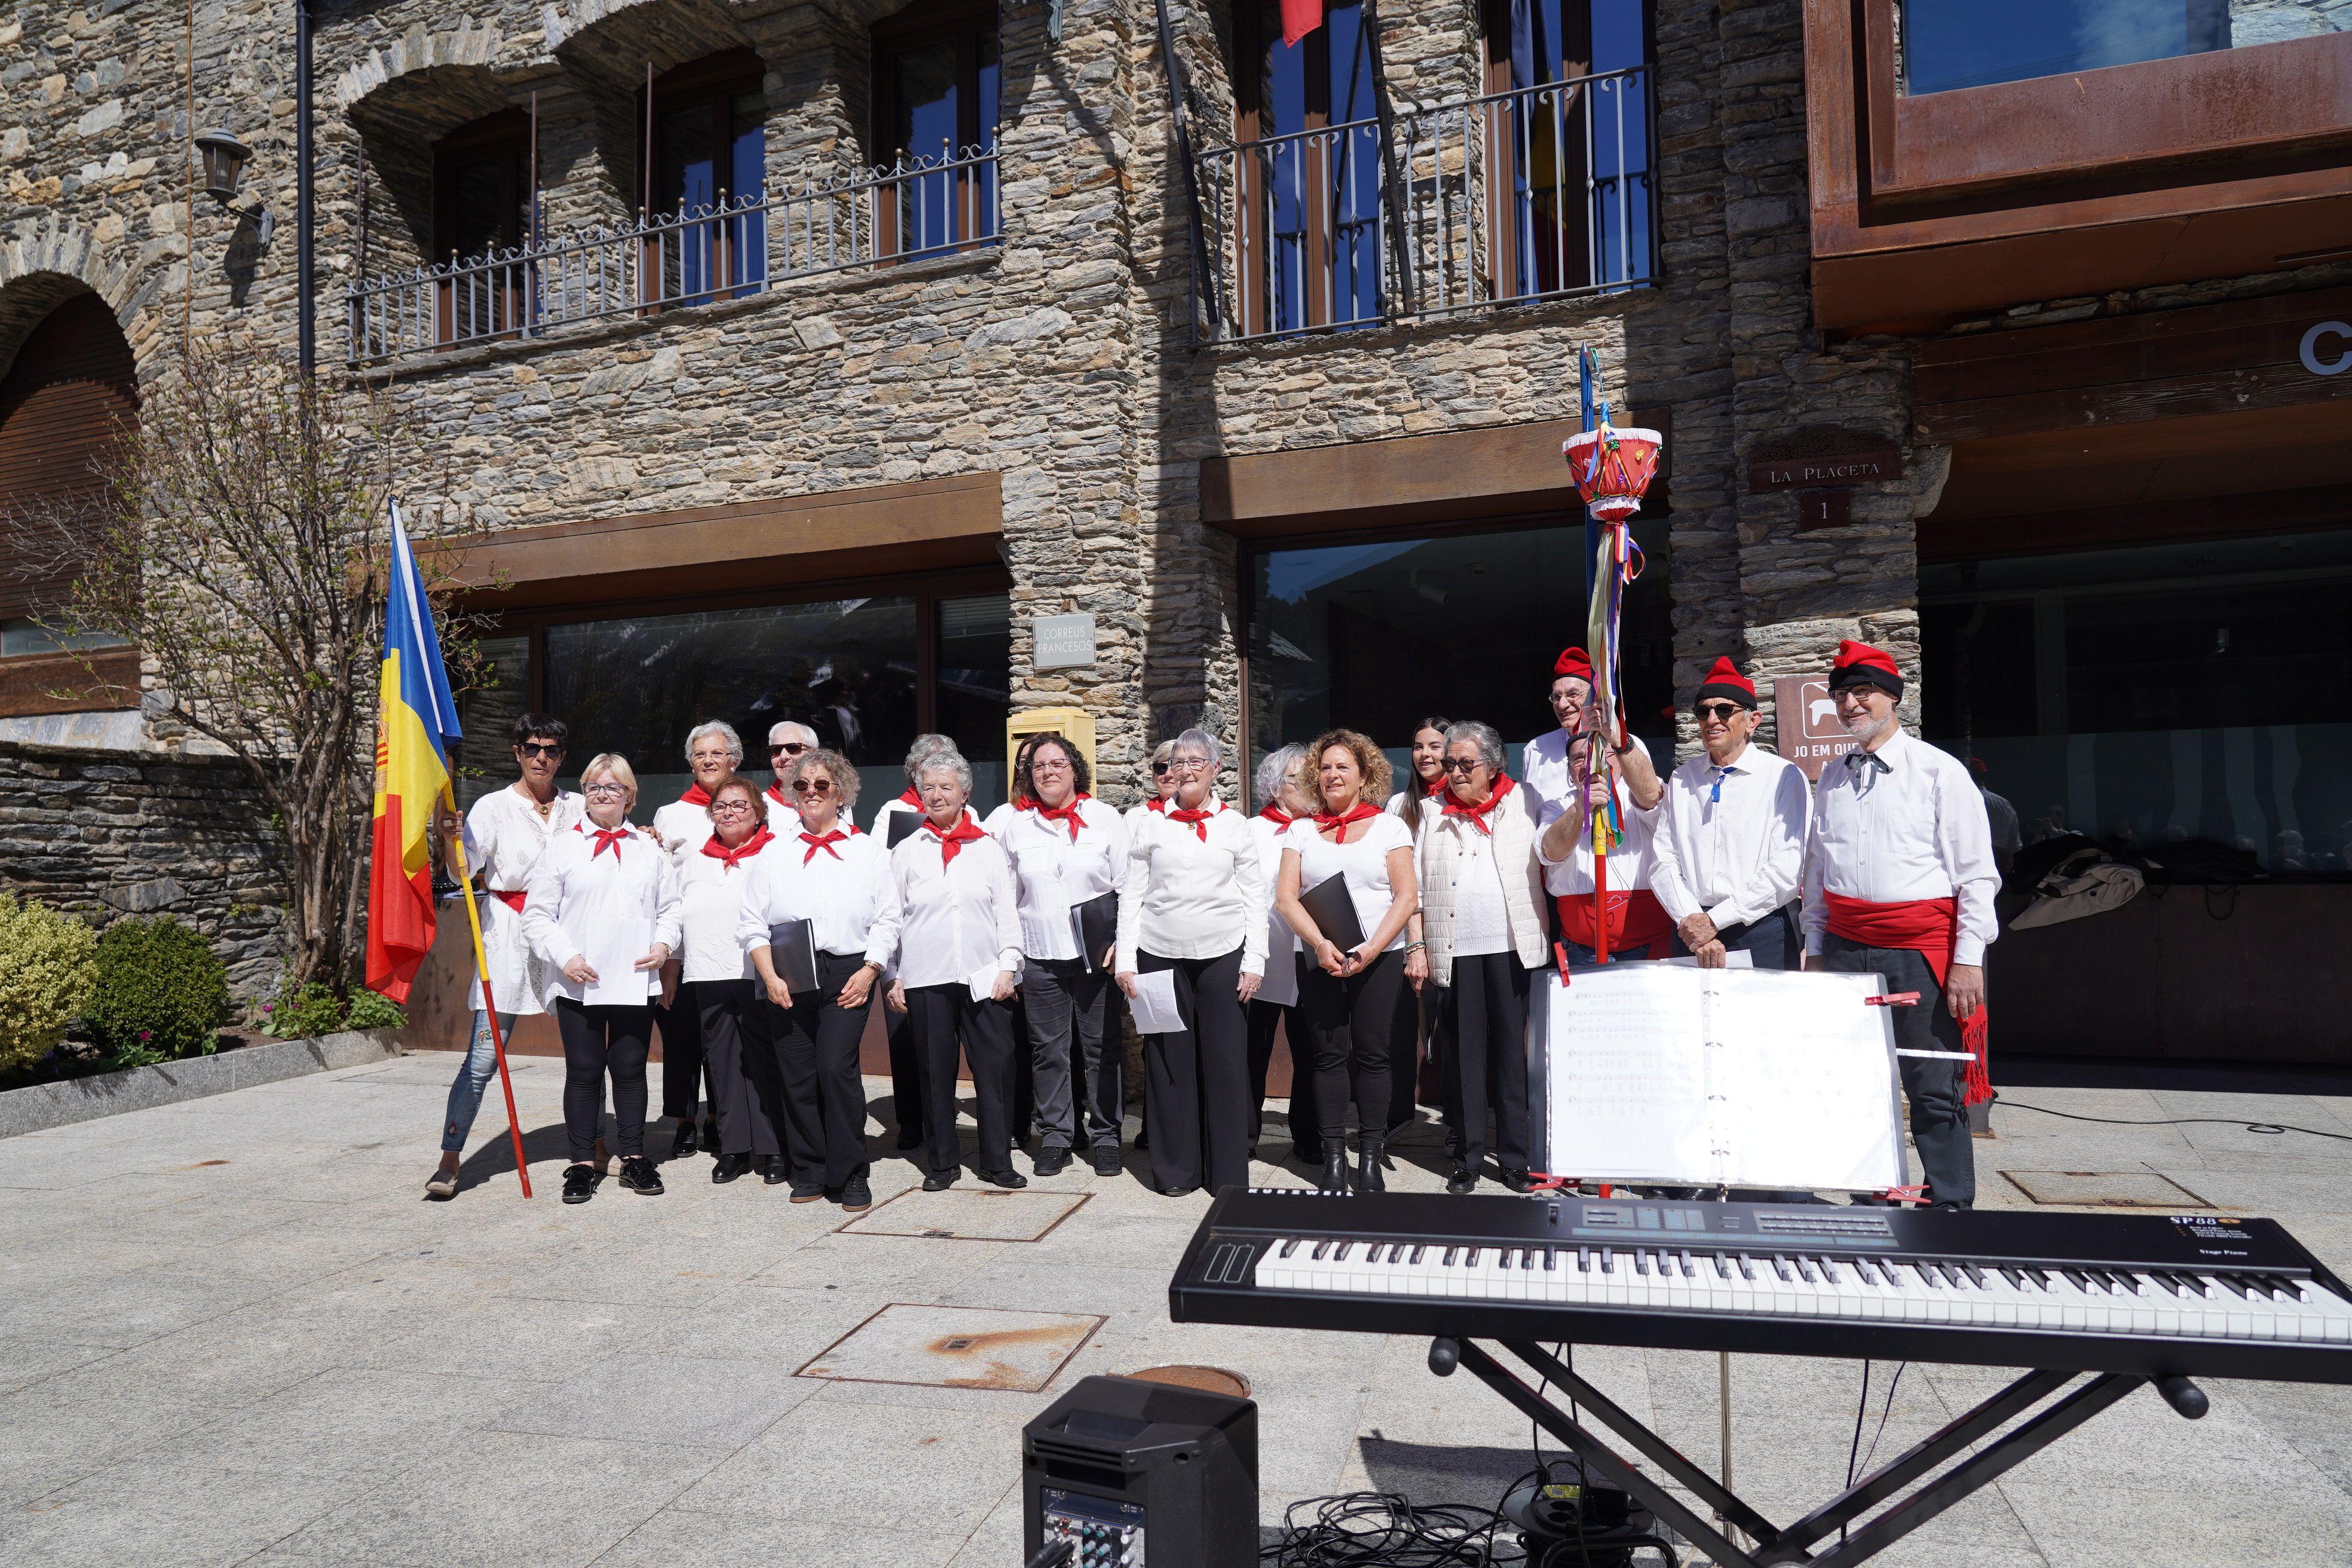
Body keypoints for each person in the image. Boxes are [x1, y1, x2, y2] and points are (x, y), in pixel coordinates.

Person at [1801, 640, 1999, 1211]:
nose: (1851, 704)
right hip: (1843, 949)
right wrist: (1815, 949)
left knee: (1931, 1085)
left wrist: (1967, 961)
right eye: (1841, 694)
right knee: (1858, 1083)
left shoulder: (1941, 772)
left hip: (1919, 950)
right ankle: (1875, 1197)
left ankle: (1950, 1205)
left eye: (1863, 691)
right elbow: (1819, 874)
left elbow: (1976, 878)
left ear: (1893, 699)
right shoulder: (1831, 778)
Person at [425, 713, 584, 1200]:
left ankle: (594, 1145)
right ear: (517, 752)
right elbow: (464, 870)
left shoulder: (578, 805)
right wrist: (445, 836)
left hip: (566, 935)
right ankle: (451, 1158)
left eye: (552, 749)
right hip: (510, 933)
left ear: (562, 756)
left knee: (585, 1052)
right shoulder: (492, 808)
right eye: (533, 747)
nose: (542, 757)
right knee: (482, 1058)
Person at [520, 753, 680, 1204]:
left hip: (635, 978)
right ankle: (582, 1163)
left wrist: (663, 945)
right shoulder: (562, 848)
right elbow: (537, 917)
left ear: (629, 795)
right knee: (585, 1071)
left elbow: (671, 909)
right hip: (579, 979)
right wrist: (565, 958)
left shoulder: (649, 849)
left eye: (612, 787)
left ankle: (632, 1157)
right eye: (593, 787)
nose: (602, 794)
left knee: (630, 1070)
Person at [1116, 727, 1266, 1196]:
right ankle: (1177, 1172)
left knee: (1224, 1063)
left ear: (1216, 768)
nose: (1184, 770)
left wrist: (1255, 959)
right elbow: (1132, 895)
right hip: (1159, 954)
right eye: (1177, 762)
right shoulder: (1148, 824)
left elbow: (1254, 898)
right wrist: (1125, 959)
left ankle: (1225, 1174)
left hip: (1223, 955)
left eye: (1195, 761)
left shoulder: (1235, 826)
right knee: (1168, 1062)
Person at [868, 750, 1025, 1192]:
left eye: (946, 788)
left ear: (965, 794)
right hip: (925, 977)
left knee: (994, 1070)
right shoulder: (905, 851)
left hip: (984, 976)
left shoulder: (989, 849)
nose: (936, 796)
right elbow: (890, 917)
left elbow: (1006, 914)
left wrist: (1009, 967)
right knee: (934, 1072)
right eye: (928, 788)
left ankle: (998, 1160)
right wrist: (891, 974)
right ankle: (942, 1163)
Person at [1275, 728, 1423, 1195]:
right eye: (1326, 767)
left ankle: (1371, 1159)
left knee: (1375, 1057)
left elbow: (1406, 897)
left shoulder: (1389, 826)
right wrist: (1319, 944)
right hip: (1320, 957)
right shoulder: (1301, 829)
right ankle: (1334, 1159)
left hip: (1378, 957)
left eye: (1343, 766)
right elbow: (1286, 898)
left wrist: (1371, 949)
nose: (1333, 774)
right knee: (1327, 1058)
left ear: (1365, 775)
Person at [742, 748, 887, 1211]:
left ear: (840, 792)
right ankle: (810, 1169)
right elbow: (751, 921)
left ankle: (851, 1172)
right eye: (801, 786)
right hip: (787, 973)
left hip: (848, 971)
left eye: (820, 785)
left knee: (835, 1068)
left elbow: (889, 919)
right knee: (797, 1073)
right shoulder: (774, 851)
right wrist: (769, 976)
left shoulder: (867, 851)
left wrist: (871, 970)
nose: (809, 793)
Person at [987, 734, 1129, 1178]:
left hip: (1097, 956)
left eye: (1057, 764)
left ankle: (1106, 1137)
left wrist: (1123, 944)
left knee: (1102, 1049)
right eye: (1039, 767)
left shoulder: (1106, 819)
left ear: (1075, 769)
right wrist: (1011, 961)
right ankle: (1056, 1138)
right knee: (1048, 1051)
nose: (1048, 772)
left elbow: (1129, 887)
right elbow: (1007, 901)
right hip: (1041, 956)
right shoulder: (1016, 826)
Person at [1416, 721, 1546, 1194]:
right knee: (1465, 1059)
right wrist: (1417, 946)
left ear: (1493, 767)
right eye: (1450, 763)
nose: (1454, 772)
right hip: (1456, 947)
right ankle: (1467, 1158)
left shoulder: (1526, 801)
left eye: (1465, 763)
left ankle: (1514, 1158)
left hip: (1512, 947)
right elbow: (1414, 885)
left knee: (1512, 1058)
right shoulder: (1432, 812)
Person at [1649, 657, 1811, 970]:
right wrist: (1693, 921)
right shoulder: (1683, 778)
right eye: (1702, 711)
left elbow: (1788, 868)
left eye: (1724, 710)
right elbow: (1663, 860)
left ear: (1753, 721)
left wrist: (1715, 920)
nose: (1712, 719)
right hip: (1691, 927)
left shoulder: (1783, 776)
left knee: (1761, 1019)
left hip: (1759, 927)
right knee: (1695, 1018)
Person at [670, 773, 782, 1188]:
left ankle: (771, 1148)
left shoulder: (774, 853)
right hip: (708, 973)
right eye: (721, 806)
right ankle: (734, 1148)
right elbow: (677, 915)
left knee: (762, 1063)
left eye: (740, 805)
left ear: (758, 813)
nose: (729, 812)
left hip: (759, 975)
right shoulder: (695, 859)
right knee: (722, 1064)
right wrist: (673, 968)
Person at [650, 719, 745, 1160]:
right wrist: (670, 958)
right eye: (700, 754)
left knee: (723, 1041)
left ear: (735, 760)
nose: (709, 761)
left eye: (717, 753)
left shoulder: (750, 808)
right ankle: (686, 1119)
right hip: (683, 947)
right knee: (682, 1035)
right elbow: (662, 884)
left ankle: (719, 1119)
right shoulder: (671, 815)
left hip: (734, 945)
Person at [871, 731, 958, 1149]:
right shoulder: (893, 811)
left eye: (946, 772)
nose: (937, 784)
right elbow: (878, 869)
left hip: (952, 947)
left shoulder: (965, 810)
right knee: (905, 1037)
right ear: (914, 773)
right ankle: (910, 1122)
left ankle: (942, 1119)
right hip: (906, 948)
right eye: (928, 772)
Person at [1537, 728, 1667, 963]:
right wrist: (1580, 806)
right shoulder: (1557, 807)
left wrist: (1618, 736)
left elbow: (1652, 799)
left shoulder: (1638, 793)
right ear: (1569, 770)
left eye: (1598, 753)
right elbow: (1551, 851)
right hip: (1579, 949)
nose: (1588, 763)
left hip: (1649, 947)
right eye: (1578, 758)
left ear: (1618, 759)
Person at [1246, 743, 1316, 1162]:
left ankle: (1308, 1138)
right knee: (1251, 1054)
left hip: (1309, 958)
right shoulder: (1252, 831)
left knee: (1311, 1053)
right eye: (1298, 778)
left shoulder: (1323, 828)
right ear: (1275, 787)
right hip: (1261, 959)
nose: (1310, 784)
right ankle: (1244, 1138)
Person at [1383, 715, 1451, 1137]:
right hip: (1407, 923)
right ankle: (1396, 1115)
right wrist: (1415, 940)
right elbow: (1400, 881)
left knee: (1451, 1028)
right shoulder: (1397, 806)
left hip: (1452, 924)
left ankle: (1456, 1120)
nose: (1425, 754)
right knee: (1400, 1026)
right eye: (1418, 746)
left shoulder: (1456, 803)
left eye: (1435, 746)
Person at [1520, 647, 1596, 819]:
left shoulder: (1622, 745)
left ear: (1594, 695)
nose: (1562, 705)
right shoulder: (1535, 749)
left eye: (1573, 694)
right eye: (1556, 697)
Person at [761, 721, 817, 835]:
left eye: (793, 748)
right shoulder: (759, 804)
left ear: (813, 753)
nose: (784, 756)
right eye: (776, 750)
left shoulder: (832, 799)